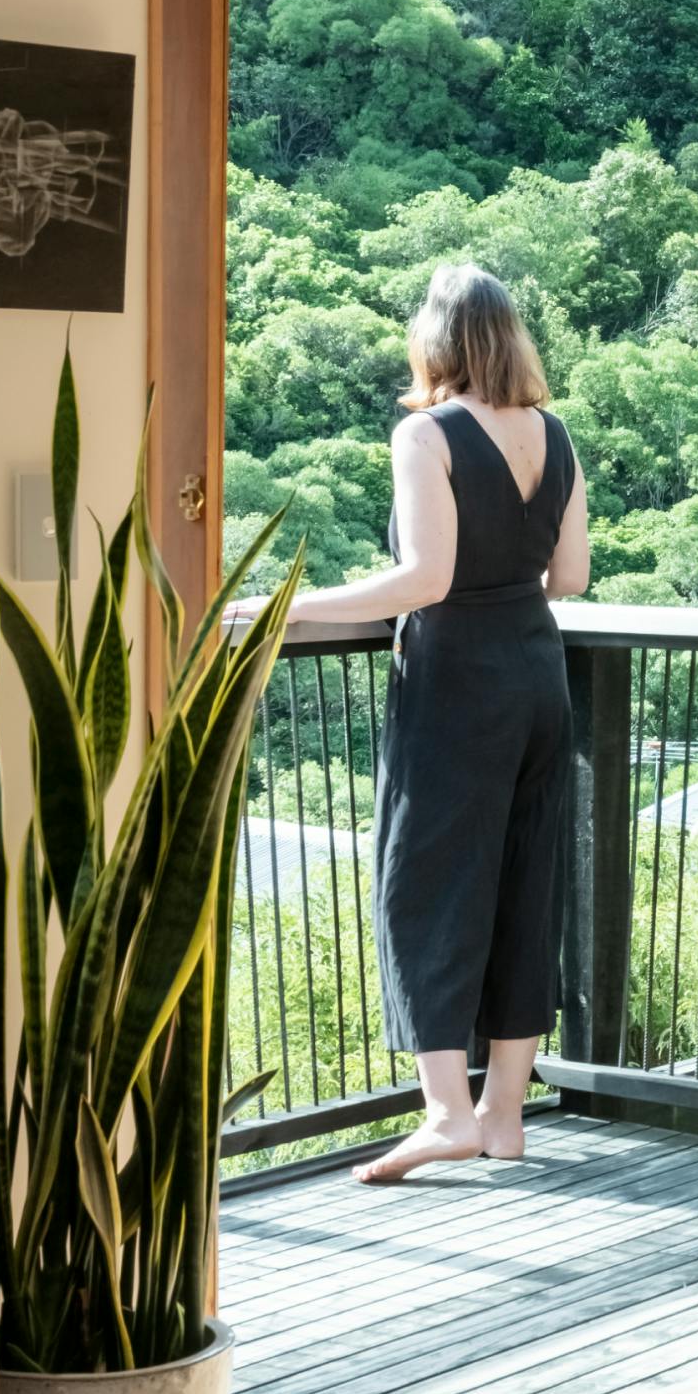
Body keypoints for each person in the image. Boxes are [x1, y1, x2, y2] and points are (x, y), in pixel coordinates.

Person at [228, 262, 591, 1183]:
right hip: (538, 672)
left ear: (434, 342)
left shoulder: (425, 433)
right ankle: (505, 1117)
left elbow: (424, 579)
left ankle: (446, 1113)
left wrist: (288, 606)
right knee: (522, 884)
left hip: (459, 679)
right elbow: (570, 579)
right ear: (509, 338)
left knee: (420, 884)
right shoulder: (553, 434)